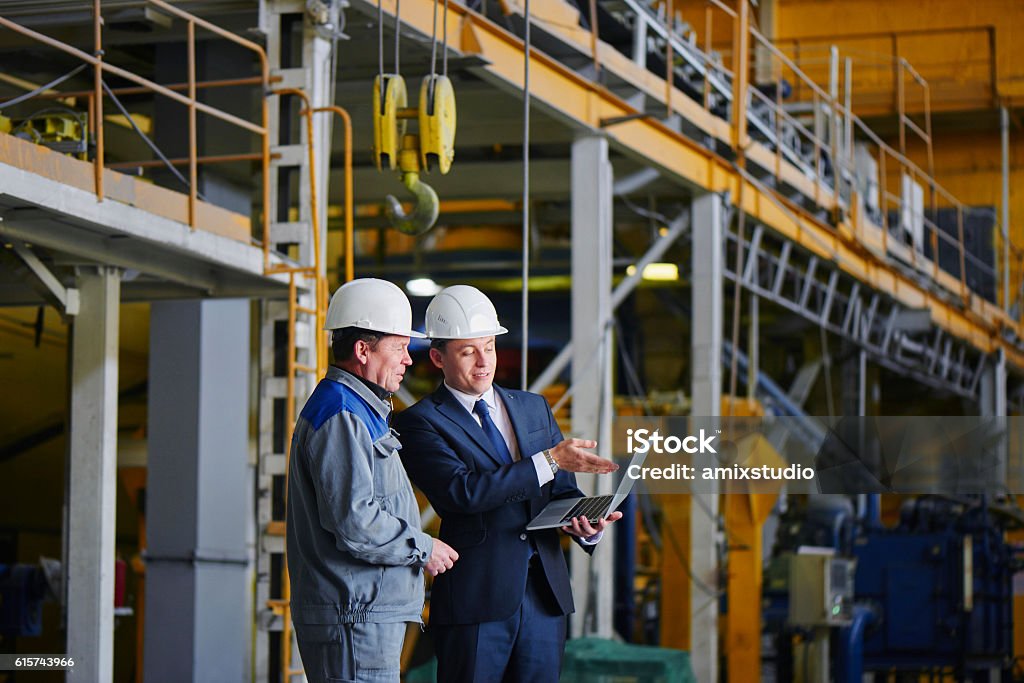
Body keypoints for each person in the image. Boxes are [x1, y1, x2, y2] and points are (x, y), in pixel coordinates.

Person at [394, 285, 622, 683]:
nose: (484, 362)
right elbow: (463, 493)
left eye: (490, 347)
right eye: (468, 351)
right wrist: (550, 459)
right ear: (437, 357)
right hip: (477, 601)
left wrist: (586, 525)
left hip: (544, 599)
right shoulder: (420, 423)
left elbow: (562, 490)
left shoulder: (533, 407)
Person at [286, 278, 460, 683]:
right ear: (363, 350)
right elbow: (356, 522)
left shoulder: (359, 411)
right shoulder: (342, 415)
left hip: (361, 614)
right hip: (354, 617)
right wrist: (423, 547)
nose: (407, 360)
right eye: (399, 347)